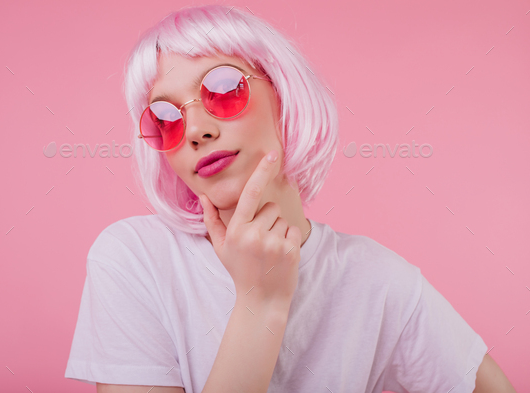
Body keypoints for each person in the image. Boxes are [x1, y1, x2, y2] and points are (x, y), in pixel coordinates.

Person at [64, 5, 516, 393]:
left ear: (284, 94)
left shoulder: (381, 280)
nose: (197, 131)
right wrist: (260, 303)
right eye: (165, 118)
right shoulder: (132, 258)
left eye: (222, 91)